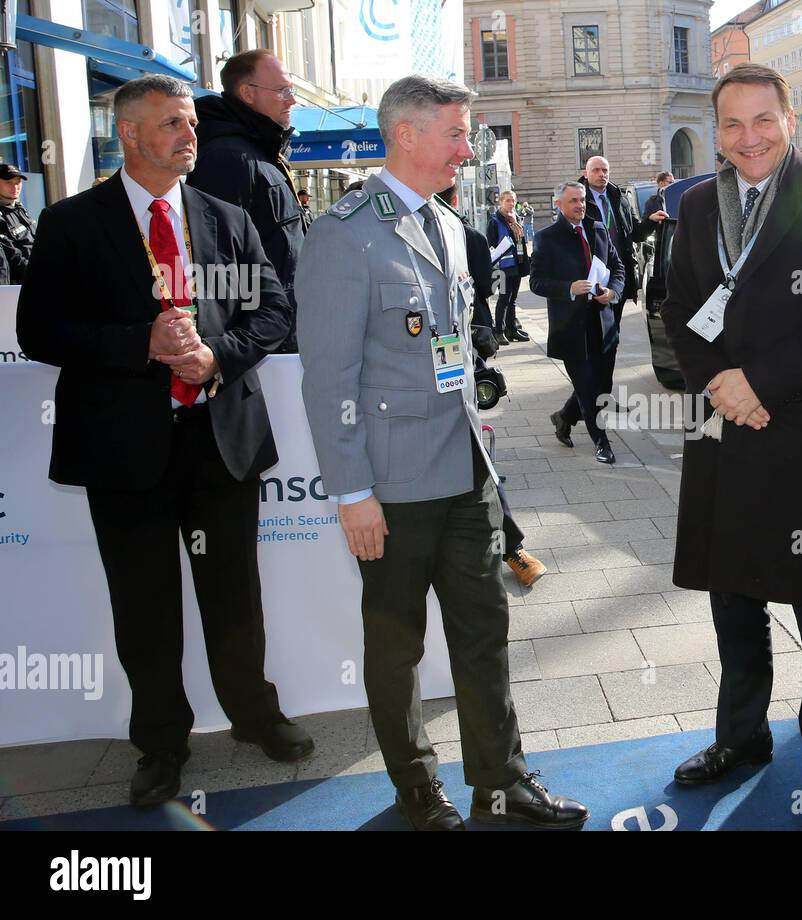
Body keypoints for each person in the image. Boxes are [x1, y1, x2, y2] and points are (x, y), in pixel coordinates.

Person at [295, 75, 586, 831]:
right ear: (407, 136)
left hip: (464, 471)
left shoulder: (449, 225)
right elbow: (330, 380)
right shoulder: (345, 232)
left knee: (484, 629)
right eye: (457, 134)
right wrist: (351, 493)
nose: (469, 149)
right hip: (389, 486)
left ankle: (501, 781)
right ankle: (418, 790)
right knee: (396, 648)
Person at [15, 75, 313, 808]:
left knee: (235, 594)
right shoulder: (71, 223)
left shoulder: (226, 216)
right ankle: (160, 743)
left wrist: (219, 354)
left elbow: (273, 307)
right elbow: (38, 331)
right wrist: (137, 342)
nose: (191, 135)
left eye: (191, 122)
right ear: (128, 133)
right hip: (126, 450)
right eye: (174, 123)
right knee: (144, 606)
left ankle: (255, 715)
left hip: (221, 440)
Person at [659, 62, 802, 831]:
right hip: (724, 426)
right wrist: (721, 383)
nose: (747, 138)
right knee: (733, 596)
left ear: (791, 121)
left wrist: (760, 385)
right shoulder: (693, 206)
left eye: (762, 120)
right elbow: (679, 306)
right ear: (716, 131)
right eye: (731, 124)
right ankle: (741, 738)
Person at [438, 186, 548, 588]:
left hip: (453, 361)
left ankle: (511, 547)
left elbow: (479, 291)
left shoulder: (462, 234)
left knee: (475, 455)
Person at [187, 49, 306, 353]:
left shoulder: (259, 150)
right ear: (248, 93)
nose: (292, 100)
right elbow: (217, 262)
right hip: (263, 345)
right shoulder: (228, 157)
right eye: (282, 91)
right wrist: (243, 343)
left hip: (281, 331)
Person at [532, 180, 625, 464]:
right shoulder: (547, 237)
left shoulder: (598, 228)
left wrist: (613, 292)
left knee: (602, 385)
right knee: (586, 387)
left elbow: (617, 267)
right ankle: (602, 442)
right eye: (573, 201)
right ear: (559, 205)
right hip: (571, 328)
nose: (580, 205)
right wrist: (568, 289)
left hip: (603, 323)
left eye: (582, 200)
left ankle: (564, 417)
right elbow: (536, 281)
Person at [578, 156, 666, 408]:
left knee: (611, 342)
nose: (601, 174)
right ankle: (581, 405)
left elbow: (633, 234)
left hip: (617, 281)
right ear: (586, 173)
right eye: (596, 170)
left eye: (605, 170)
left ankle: (602, 397)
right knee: (595, 346)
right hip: (591, 283)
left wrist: (651, 221)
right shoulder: (578, 199)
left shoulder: (618, 197)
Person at [485, 189, 531, 344]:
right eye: (507, 201)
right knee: (504, 299)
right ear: (501, 203)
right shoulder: (495, 221)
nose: (511, 204)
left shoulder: (515, 218)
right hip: (501, 268)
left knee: (513, 299)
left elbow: (520, 243)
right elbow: (491, 246)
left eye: (513, 200)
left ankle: (512, 329)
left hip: (516, 266)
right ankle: (499, 331)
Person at [0, 163, 36, 282]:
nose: (15, 187)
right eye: (9, 182)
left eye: (18, 182)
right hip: (21, 286)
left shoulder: (19, 209)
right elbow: (12, 257)